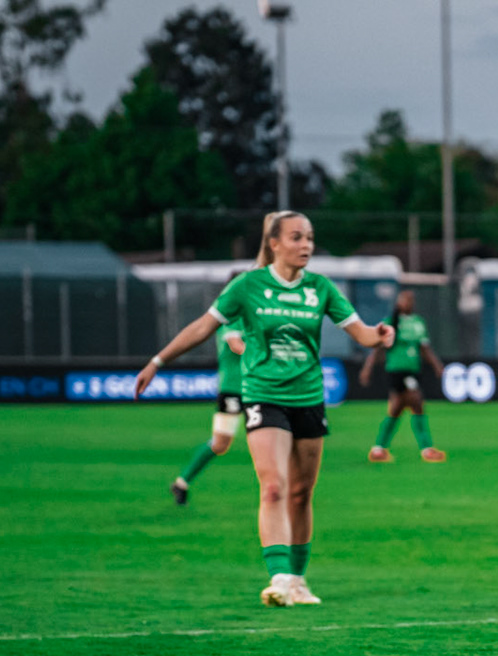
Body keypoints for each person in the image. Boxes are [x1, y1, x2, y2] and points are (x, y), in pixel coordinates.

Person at [136, 210, 397, 607]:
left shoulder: (321, 288)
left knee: (301, 493)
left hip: (309, 398)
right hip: (263, 395)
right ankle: (278, 579)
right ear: (273, 244)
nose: (305, 245)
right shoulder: (248, 286)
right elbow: (203, 326)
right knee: (272, 487)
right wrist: (158, 361)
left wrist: (379, 335)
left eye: (309, 237)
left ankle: (298, 579)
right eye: (296, 237)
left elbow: (359, 332)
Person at [360, 289, 447, 463]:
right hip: (397, 370)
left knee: (397, 408)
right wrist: (368, 368)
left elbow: (424, 348)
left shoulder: (418, 323)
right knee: (416, 401)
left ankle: (378, 449)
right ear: (399, 302)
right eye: (405, 299)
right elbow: (378, 347)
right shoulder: (391, 323)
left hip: (412, 370)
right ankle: (427, 449)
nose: (409, 302)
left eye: (411, 300)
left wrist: (436, 365)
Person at [169, 320, 247, 505]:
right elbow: (236, 346)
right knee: (220, 444)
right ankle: (182, 483)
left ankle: (280, 490)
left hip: (259, 388)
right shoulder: (233, 317)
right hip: (233, 389)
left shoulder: (256, 315)